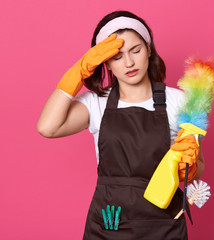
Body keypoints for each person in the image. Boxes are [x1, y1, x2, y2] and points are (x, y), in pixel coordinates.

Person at [37, 10, 205, 240]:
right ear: (105, 63)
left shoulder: (180, 102)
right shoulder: (96, 103)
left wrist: (190, 168)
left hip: (163, 226)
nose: (128, 62)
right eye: (117, 56)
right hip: (108, 226)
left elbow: (198, 169)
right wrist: (78, 71)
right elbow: (48, 127)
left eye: (135, 50)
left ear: (148, 49)